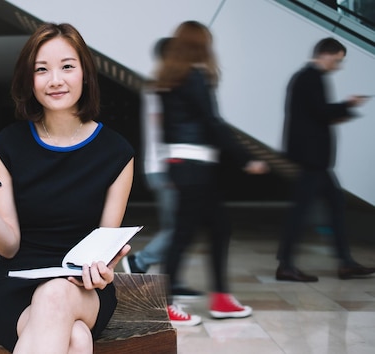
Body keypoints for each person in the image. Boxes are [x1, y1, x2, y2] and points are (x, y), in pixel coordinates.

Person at [0, 23, 134, 353]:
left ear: (85, 74)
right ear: (29, 80)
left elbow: (103, 249)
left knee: (55, 295)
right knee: (77, 340)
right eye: (41, 70)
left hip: (83, 289)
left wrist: (103, 271)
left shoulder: (117, 152)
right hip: (15, 286)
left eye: (67, 66)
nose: (55, 80)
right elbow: (8, 247)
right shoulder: (7, 145)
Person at [156, 21, 268, 326]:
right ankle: (169, 304)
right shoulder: (194, 77)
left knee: (217, 228)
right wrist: (245, 158)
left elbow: (168, 130)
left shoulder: (169, 79)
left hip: (185, 166)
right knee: (186, 234)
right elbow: (213, 123)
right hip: (196, 168)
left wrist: (170, 165)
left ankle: (220, 299)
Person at [276, 37, 375, 282]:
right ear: (327, 54)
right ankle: (287, 265)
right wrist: (347, 105)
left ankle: (345, 263)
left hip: (315, 160)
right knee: (303, 212)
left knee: (334, 205)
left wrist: (340, 111)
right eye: (338, 60)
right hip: (312, 160)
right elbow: (319, 112)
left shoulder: (307, 77)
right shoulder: (310, 77)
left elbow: (314, 115)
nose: (338, 66)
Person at [121, 37, 202, 299]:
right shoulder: (163, 86)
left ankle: (172, 279)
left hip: (167, 165)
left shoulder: (162, 84)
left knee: (180, 225)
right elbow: (164, 127)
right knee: (180, 226)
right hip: (167, 167)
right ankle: (141, 262)